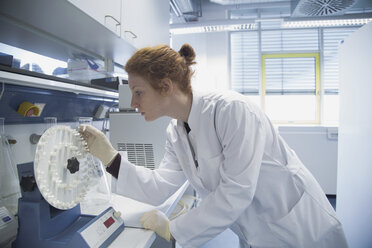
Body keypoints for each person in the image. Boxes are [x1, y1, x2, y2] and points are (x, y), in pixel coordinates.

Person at [79, 44, 348, 248]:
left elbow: (237, 191)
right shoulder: (175, 131)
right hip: (255, 233)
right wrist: (110, 158)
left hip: (302, 229)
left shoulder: (232, 111)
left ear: (165, 87)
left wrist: (174, 229)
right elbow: (161, 186)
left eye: (138, 92)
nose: (133, 103)